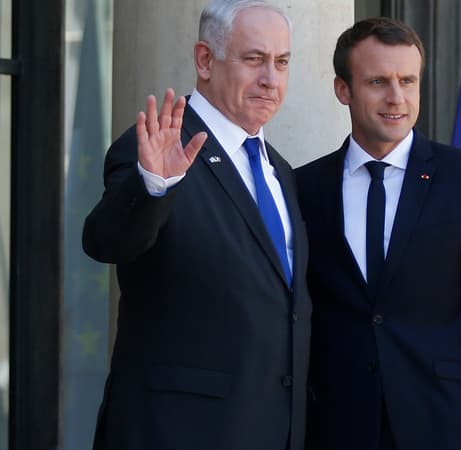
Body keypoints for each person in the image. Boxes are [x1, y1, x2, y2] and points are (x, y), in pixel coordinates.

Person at [83, 1, 311, 449]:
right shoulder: (158, 147)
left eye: (281, 62)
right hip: (179, 431)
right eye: (254, 59)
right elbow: (105, 241)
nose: (271, 79)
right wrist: (154, 184)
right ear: (205, 60)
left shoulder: (279, 170)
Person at [295, 17, 461, 450]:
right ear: (343, 90)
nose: (396, 97)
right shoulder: (303, 188)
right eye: (378, 81)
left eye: (408, 80)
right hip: (335, 427)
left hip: (445, 425)